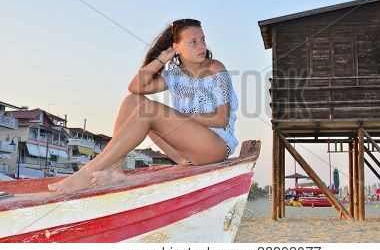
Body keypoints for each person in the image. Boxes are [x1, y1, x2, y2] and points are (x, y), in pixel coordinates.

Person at [48, 19, 239, 194]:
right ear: (176, 48)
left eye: (203, 40)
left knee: (149, 112)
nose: (202, 46)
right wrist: (161, 60)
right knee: (133, 101)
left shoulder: (216, 69)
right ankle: (115, 169)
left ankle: (86, 173)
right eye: (193, 42)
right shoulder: (174, 75)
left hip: (216, 146)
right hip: (186, 150)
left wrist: (174, 117)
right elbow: (135, 88)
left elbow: (221, 120)